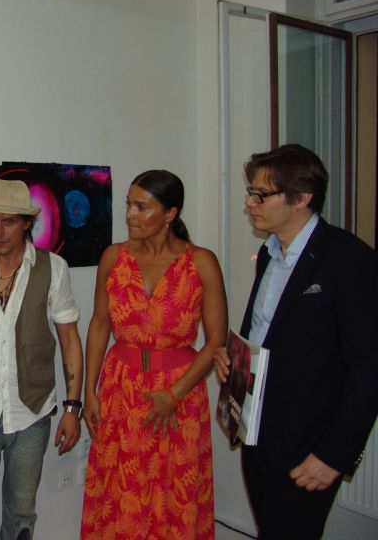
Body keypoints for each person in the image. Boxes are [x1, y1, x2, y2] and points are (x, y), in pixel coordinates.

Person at [214, 144, 378, 539]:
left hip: (309, 442)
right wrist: (232, 360)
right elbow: (267, 334)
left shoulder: (349, 260)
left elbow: (368, 368)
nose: (249, 203)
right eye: (250, 192)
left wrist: (334, 454)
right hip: (257, 430)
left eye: (261, 194)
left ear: (302, 197)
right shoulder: (269, 253)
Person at [80, 170, 227, 539]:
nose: (130, 214)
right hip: (120, 388)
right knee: (120, 488)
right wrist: (89, 391)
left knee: (171, 488)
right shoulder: (114, 257)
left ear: (170, 213)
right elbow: (99, 324)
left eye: (142, 207)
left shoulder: (201, 263)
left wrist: (173, 395)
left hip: (180, 392)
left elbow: (216, 342)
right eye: (129, 205)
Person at [0, 179, 84, 540]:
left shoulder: (53, 268)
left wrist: (73, 408)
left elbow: (69, 340)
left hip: (32, 412)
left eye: (8, 222)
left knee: (22, 514)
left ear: (27, 223)